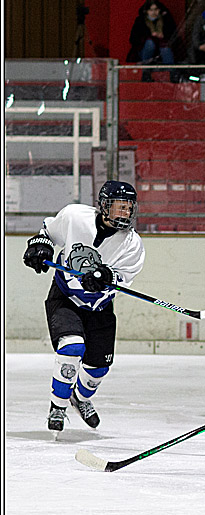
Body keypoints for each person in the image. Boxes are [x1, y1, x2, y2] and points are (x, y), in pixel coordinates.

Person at [22, 181, 145, 434]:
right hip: (65, 297)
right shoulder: (75, 216)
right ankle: (58, 406)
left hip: (100, 307)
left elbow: (122, 278)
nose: (125, 213)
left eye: (129, 208)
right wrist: (39, 245)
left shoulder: (132, 244)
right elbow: (47, 231)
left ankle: (80, 397)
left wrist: (105, 277)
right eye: (119, 207)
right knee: (72, 346)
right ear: (104, 206)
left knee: (98, 368)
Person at [128, 0, 179, 82]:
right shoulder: (140, 21)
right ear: (146, 11)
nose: (153, 12)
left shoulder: (166, 20)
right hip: (144, 51)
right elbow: (133, 39)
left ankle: (172, 74)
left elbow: (174, 36)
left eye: (156, 9)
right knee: (150, 43)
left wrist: (163, 36)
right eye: (151, 10)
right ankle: (146, 72)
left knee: (165, 47)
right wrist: (149, 36)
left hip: (161, 50)